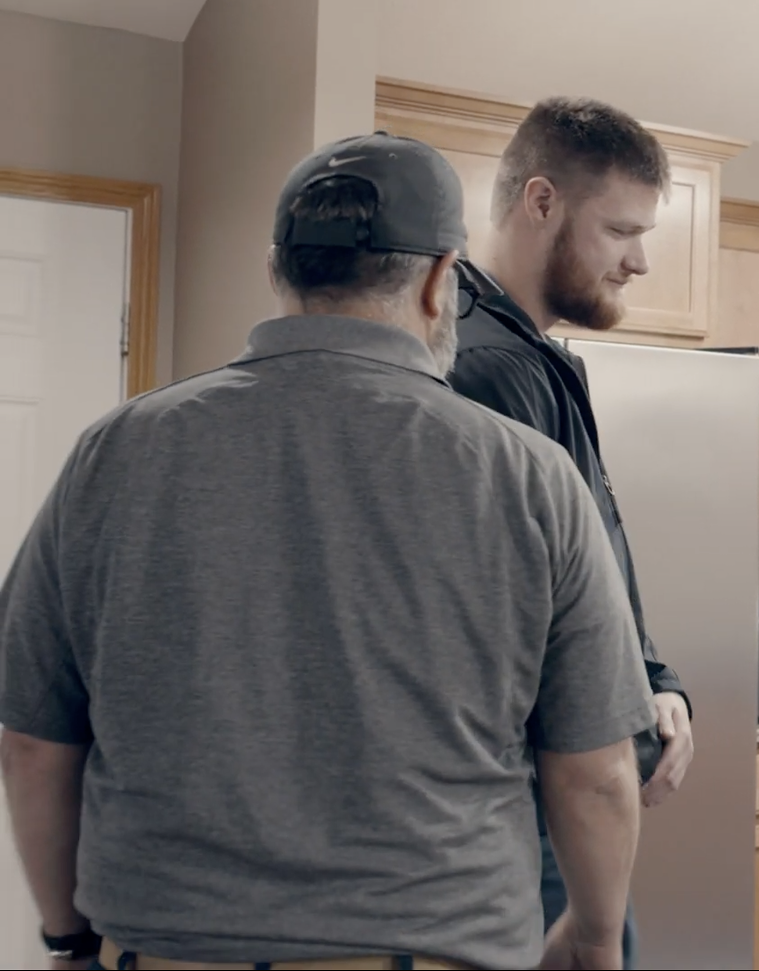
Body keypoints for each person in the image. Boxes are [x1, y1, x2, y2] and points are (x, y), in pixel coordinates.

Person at [0, 132, 654, 971]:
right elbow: (596, 772)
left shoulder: (116, 450)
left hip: (166, 947)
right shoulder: (529, 475)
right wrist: (595, 936)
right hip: (434, 946)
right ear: (438, 281)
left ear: (279, 272)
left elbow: (31, 739)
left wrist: (65, 935)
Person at [444, 95, 692, 968]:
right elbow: (529, 621)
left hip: (567, 788)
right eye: (622, 230)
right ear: (540, 201)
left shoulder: (538, 355)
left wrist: (653, 675)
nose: (641, 261)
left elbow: (593, 560)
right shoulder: (485, 367)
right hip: (536, 800)